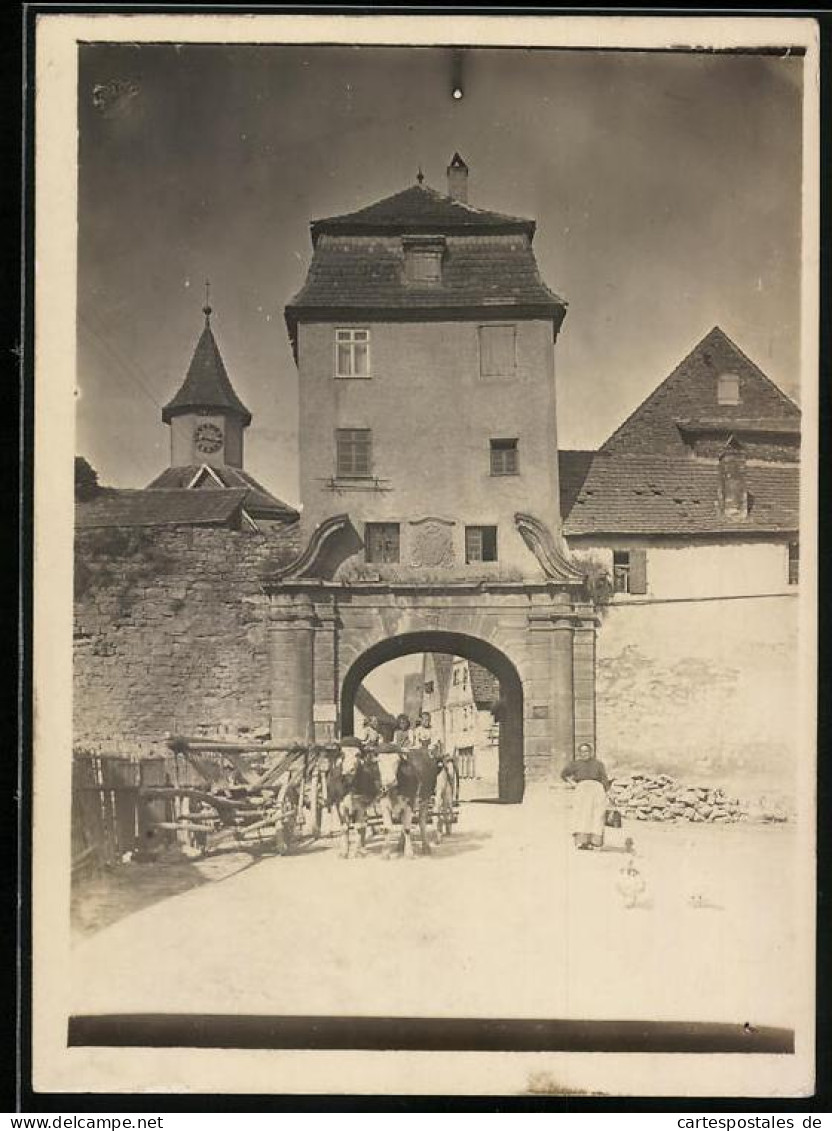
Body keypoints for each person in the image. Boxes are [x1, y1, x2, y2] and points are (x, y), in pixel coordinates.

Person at [561, 742, 610, 850]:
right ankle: (582, 842)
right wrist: (573, 784)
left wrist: (605, 791)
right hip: (582, 790)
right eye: (582, 751)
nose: (585, 753)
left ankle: (595, 842)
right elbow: (564, 774)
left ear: (591, 752)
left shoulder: (598, 764)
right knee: (581, 814)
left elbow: (604, 778)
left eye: (587, 751)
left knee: (596, 815)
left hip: (596, 790)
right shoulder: (575, 764)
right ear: (579, 753)